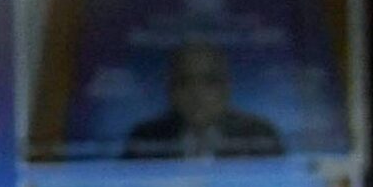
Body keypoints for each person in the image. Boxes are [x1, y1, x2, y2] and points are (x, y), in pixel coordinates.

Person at [120, 40, 287, 159]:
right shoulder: (145, 137)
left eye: (209, 81)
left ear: (226, 88)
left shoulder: (259, 135)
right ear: (171, 90)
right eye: (185, 82)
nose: (196, 93)